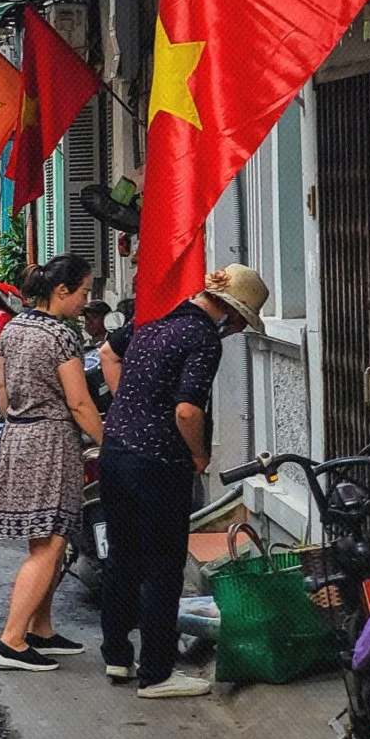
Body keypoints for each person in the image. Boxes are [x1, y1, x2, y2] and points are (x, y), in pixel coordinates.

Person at [98, 263, 269, 699]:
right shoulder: (201, 337)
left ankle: (118, 656)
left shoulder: (155, 314)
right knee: (161, 568)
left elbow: (107, 354)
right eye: (238, 325)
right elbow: (187, 411)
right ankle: (157, 673)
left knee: (121, 558)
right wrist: (197, 453)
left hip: (115, 451)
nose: (232, 333)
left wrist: (131, 407)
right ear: (229, 315)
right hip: (159, 462)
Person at [0, 255, 103, 671]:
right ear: (62, 291)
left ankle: (41, 629)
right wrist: (110, 441)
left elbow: (1, 386)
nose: (85, 302)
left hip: (18, 435)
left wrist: (18, 418)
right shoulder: (61, 336)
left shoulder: (14, 326)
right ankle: (11, 639)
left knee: (46, 539)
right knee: (51, 542)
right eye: (84, 293)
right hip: (51, 441)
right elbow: (80, 401)